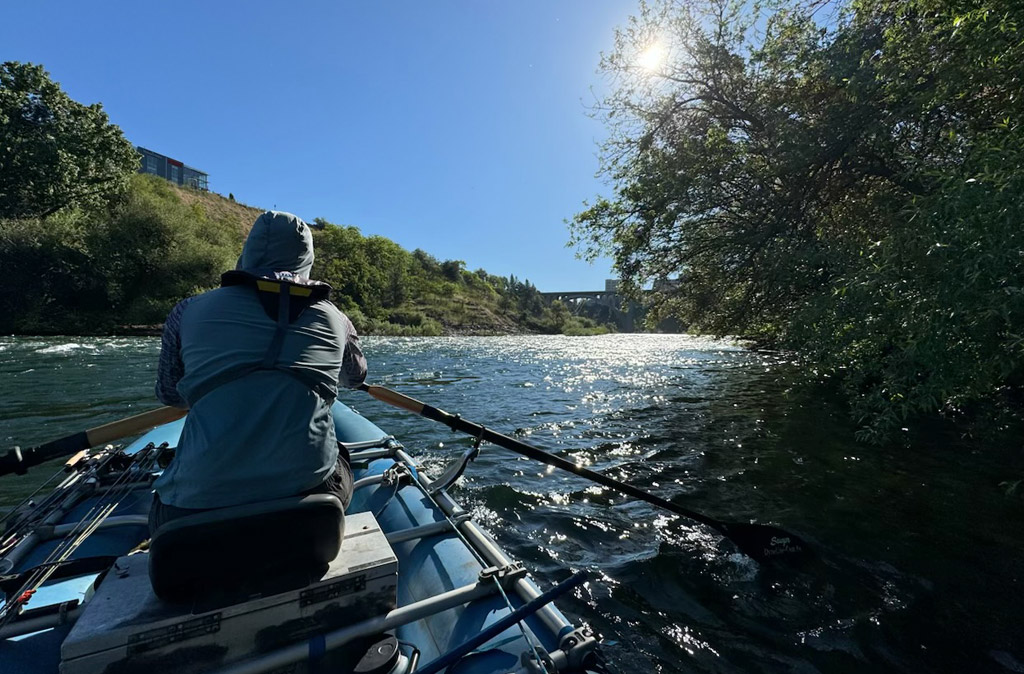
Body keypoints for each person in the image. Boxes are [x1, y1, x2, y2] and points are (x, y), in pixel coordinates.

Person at [150, 211, 366, 533]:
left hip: (191, 507)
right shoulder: (338, 319)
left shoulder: (187, 310)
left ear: (247, 253)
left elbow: (171, 395)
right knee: (341, 453)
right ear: (307, 259)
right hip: (312, 496)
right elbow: (355, 378)